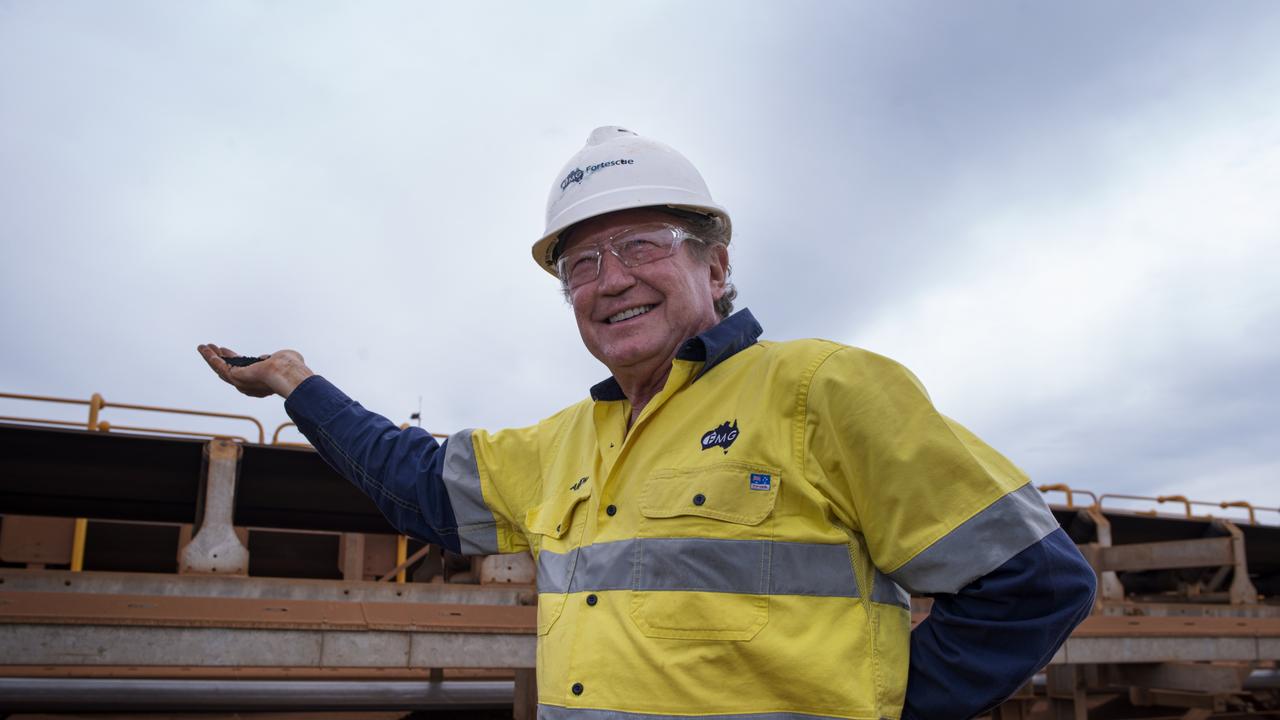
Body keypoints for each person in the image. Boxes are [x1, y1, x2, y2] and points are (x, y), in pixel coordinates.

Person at [199, 126, 1095, 720]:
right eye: (581, 262)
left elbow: (1035, 587)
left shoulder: (823, 388)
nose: (610, 278)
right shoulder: (562, 446)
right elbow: (417, 485)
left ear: (716, 263)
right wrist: (298, 383)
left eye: (642, 245)